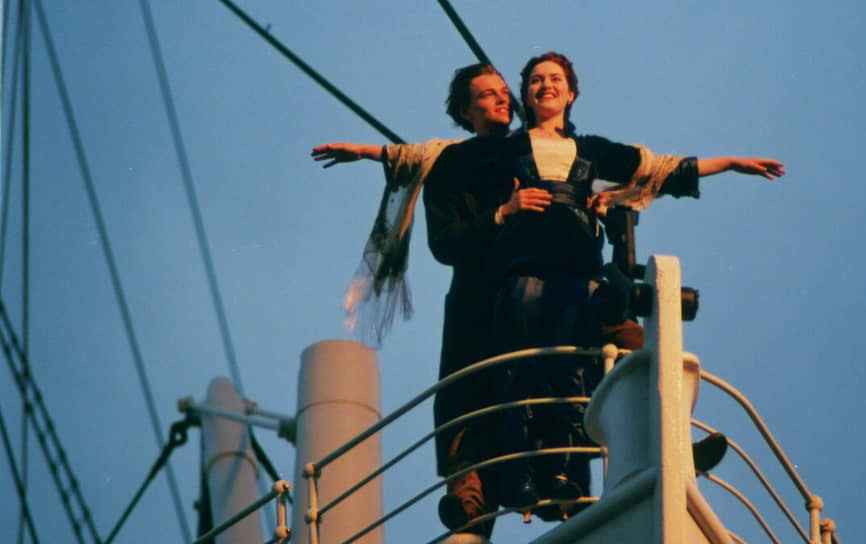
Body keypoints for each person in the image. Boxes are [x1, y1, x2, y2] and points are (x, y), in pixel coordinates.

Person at [424, 51, 783, 520]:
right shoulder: (495, 153)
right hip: (516, 278)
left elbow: (655, 168)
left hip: (578, 276)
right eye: (533, 80)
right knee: (517, 376)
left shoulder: (587, 148)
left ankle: (670, 443)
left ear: (571, 92)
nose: (540, 87)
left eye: (553, 79)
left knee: (638, 350)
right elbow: (435, 166)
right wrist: (381, 156)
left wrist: (728, 163)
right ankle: (503, 487)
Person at [313, 63, 516, 538]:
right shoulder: (450, 163)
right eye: (487, 94)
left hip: (536, 287)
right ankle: (469, 499)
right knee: (466, 390)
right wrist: (500, 216)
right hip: (478, 294)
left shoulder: (539, 150)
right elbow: (443, 236)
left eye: (505, 91)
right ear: (466, 111)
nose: (501, 98)